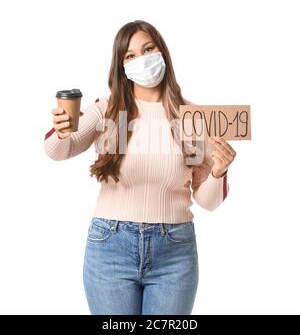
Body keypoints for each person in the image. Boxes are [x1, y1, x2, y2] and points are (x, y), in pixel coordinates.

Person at [44, 20, 237, 315]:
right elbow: (59, 150)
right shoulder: (106, 110)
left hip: (175, 251)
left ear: (163, 52)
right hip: (110, 247)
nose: (142, 60)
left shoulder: (192, 118)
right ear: (121, 66)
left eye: (148, 49)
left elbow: (207, 201)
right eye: (130, 56)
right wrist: (60, 131)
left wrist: (218, 172)